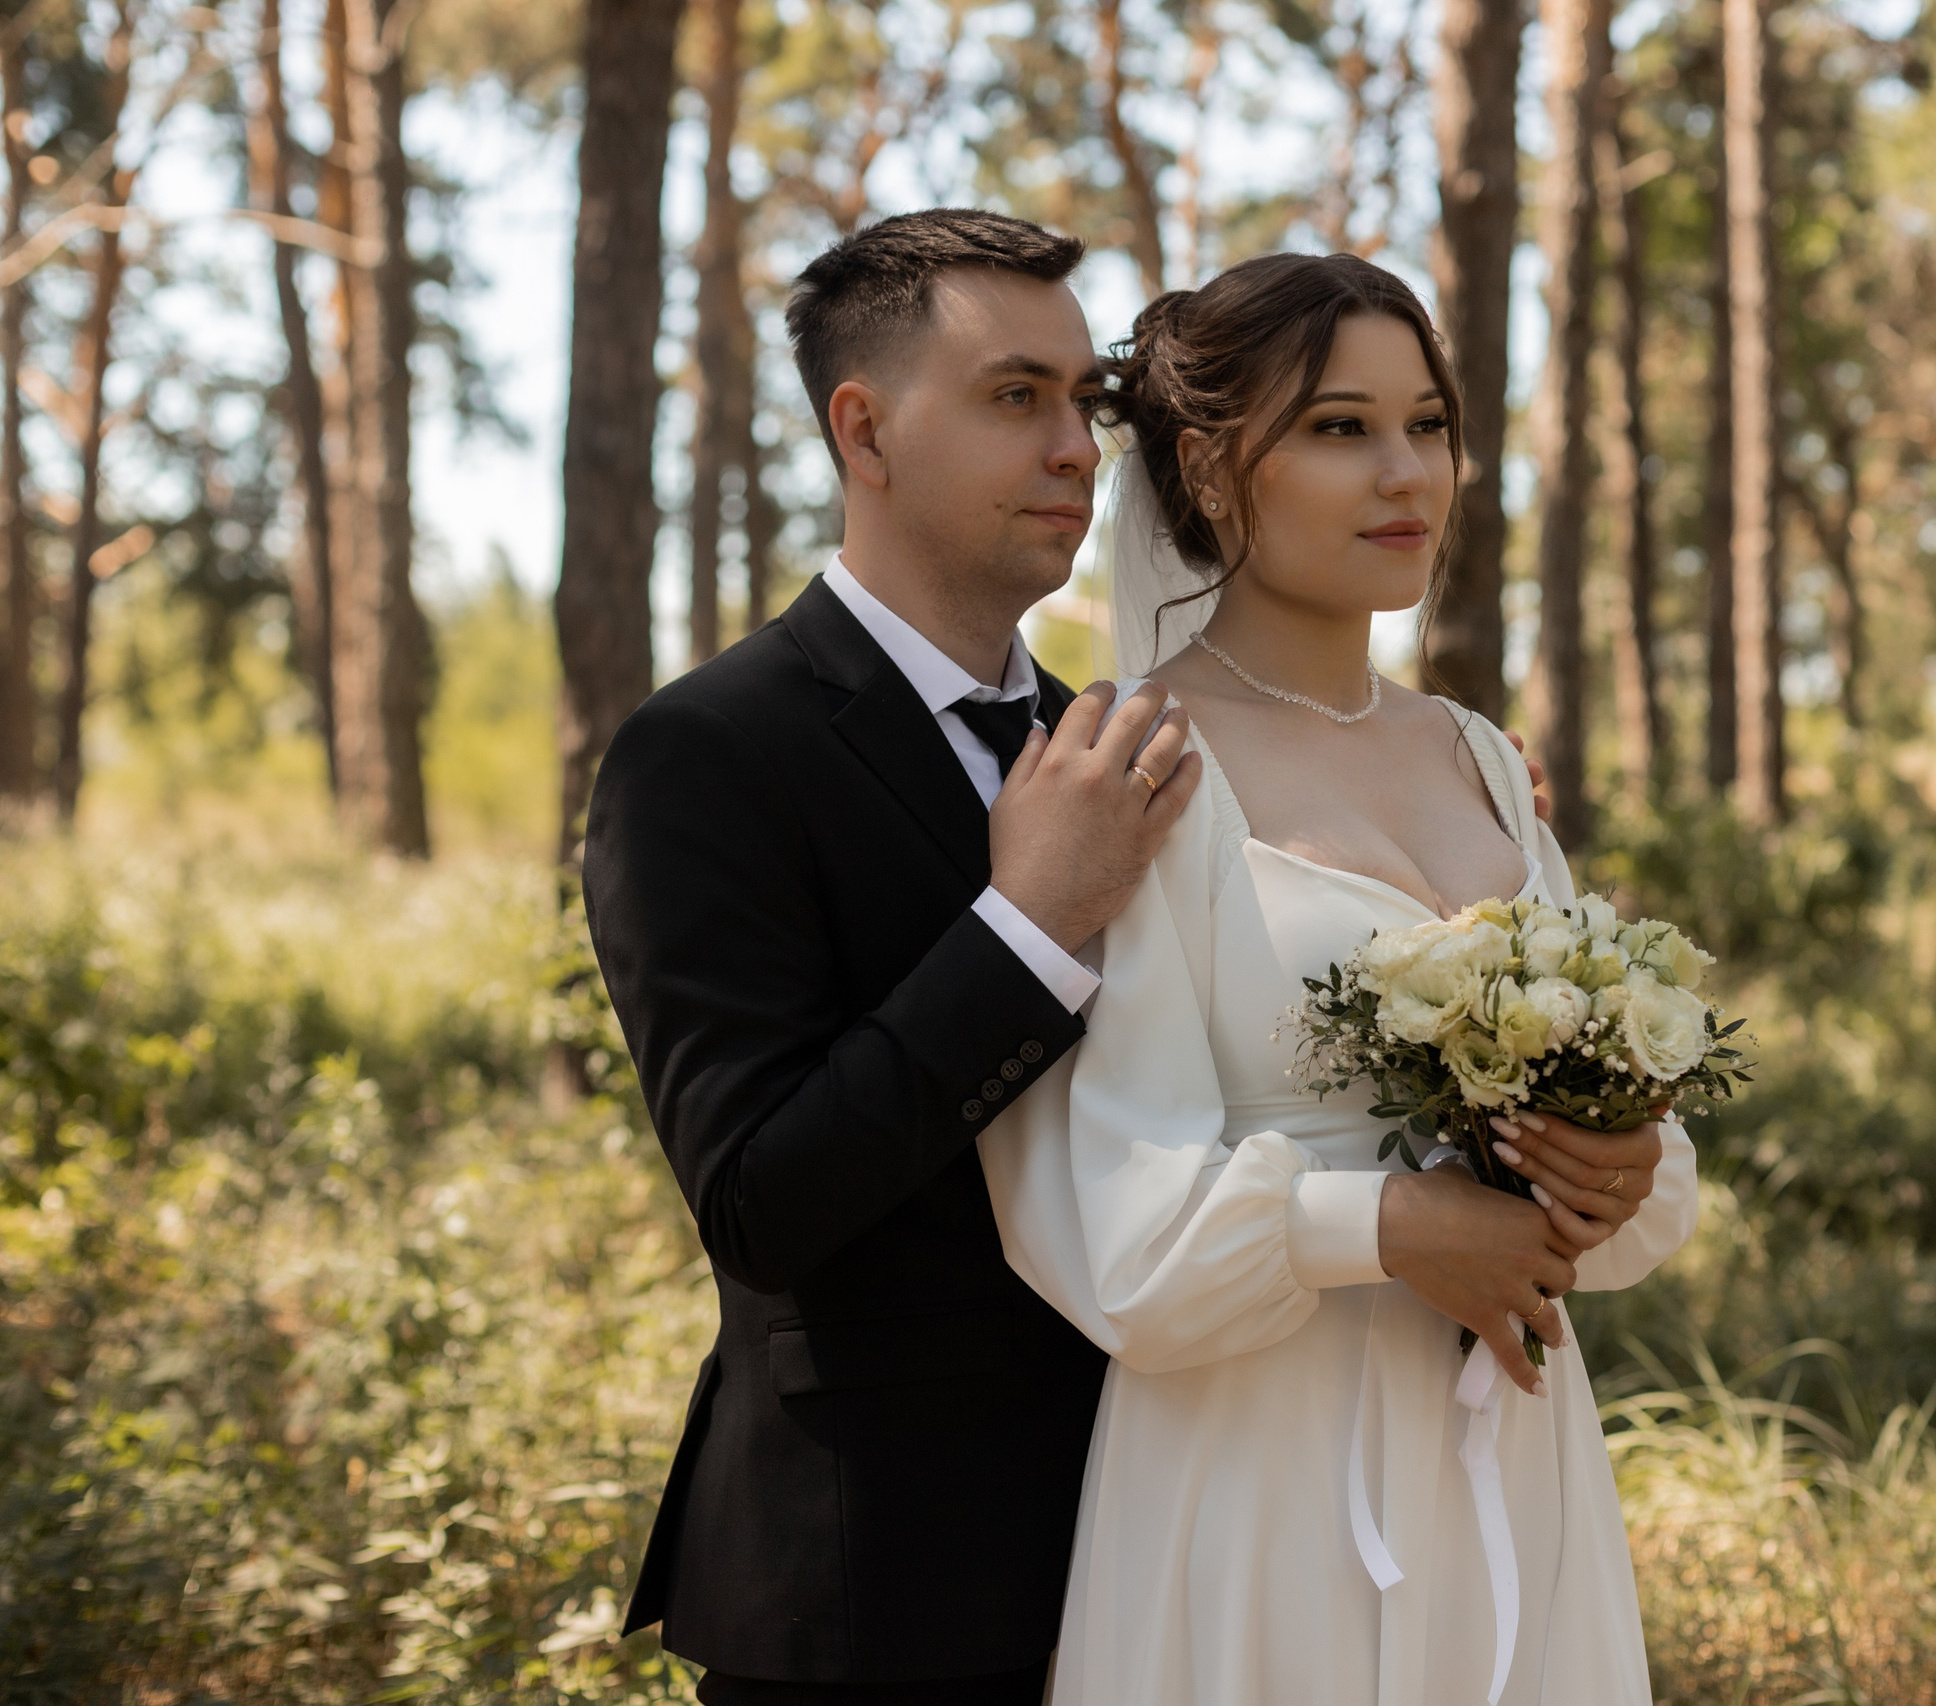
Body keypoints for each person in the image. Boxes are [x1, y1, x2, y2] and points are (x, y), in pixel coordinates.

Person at [581, 212, 1575, 1704]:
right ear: (864, 427)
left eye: (1081, 405)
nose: (1074, 447)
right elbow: (759, 1197)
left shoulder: (1135, 739)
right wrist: (1025, 927)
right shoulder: (710, 753)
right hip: (883, 1578)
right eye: (1013, 397)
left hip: (1211, 1512)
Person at [979, 252, 1703, 1706]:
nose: (1405, 473)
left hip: (1506, 1441)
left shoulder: (1481, 756)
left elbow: (1649, 1173)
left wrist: (1616, 1160)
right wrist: (1380, 1222)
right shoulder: (1132, 766)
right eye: (1337, 427)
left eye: (1428, 424)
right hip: (1262, 1462)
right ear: (1209, 465)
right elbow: (1106, 1230)